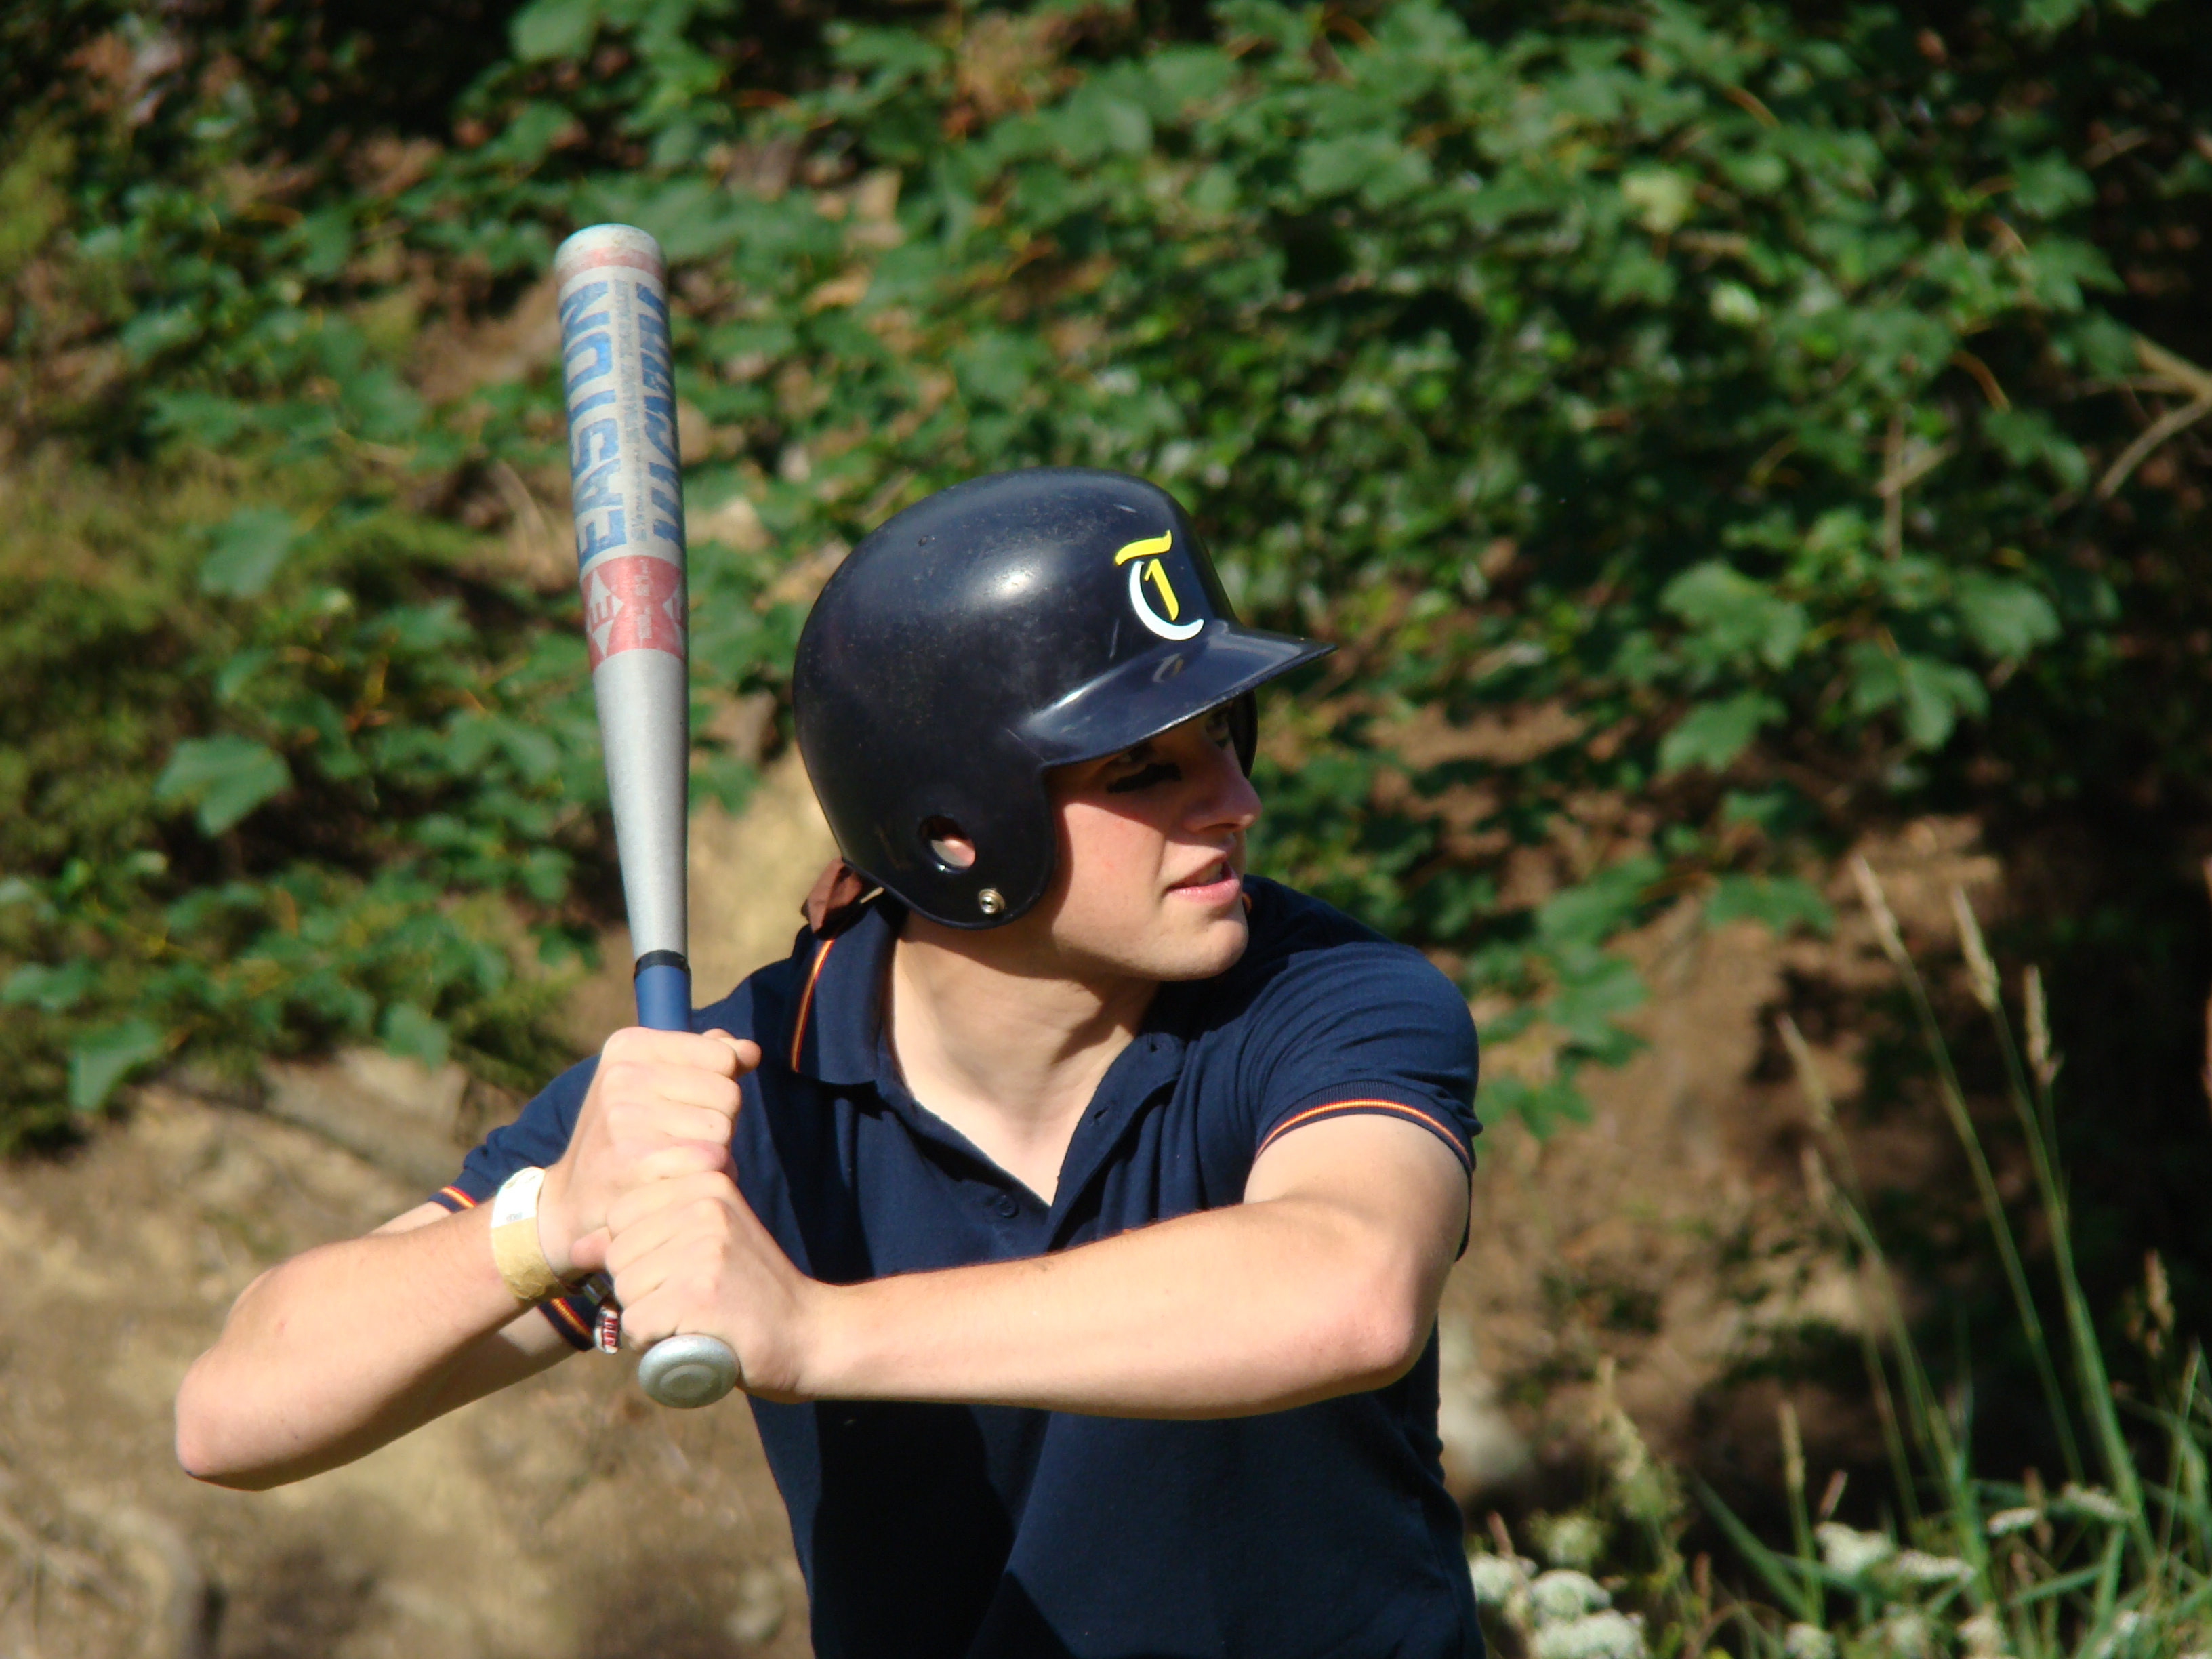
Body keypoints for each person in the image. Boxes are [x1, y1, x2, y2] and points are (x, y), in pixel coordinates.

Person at [176, 467, 1483, 1658]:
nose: (1235, 803)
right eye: (1145, 770)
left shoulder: (1326, 995)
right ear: (954, 829)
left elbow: (1349, 1287)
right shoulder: (743, 1089)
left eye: (1225, 735)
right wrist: (548, 1220)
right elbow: (233, 1415)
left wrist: (818, 1331)